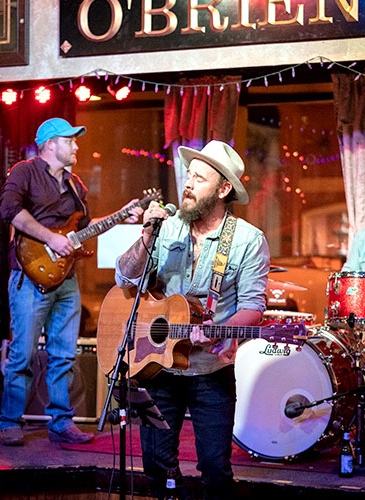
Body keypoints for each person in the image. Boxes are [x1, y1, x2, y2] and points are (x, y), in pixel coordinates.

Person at [115, 140, 270, 500]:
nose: (187, 183)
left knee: (215, 467)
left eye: (199, 178)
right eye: (188, 175)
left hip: (210, 370)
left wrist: (217, 329)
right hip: (156, 367)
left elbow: (253, 306)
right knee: (154, 463)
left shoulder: (247, 239)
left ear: (223, 189)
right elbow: (125, 279)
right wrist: (146, 235)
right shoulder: (166, 229)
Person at [0, 117, 142, 446]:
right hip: (28, 274)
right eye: (70, 140)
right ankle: (9, 420)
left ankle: (61, 422)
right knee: (22, 354)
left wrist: (122, 214)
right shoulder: (25, 171)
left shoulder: (76, 185)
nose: (77, 146)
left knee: (64, 354)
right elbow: (9, 210)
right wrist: (50, 237)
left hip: (66, 279)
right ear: (50, 144)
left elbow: (86, 227)